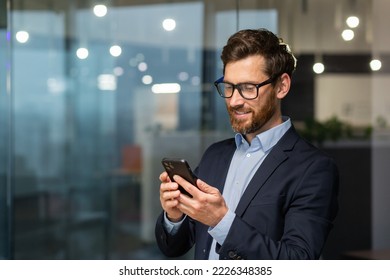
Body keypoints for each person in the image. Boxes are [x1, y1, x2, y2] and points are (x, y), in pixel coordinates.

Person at [155, 28, 339, 260]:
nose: (234, 101)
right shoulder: (215, 155)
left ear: (282, 86)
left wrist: (221, 221)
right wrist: (174, 216)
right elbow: (174, 247)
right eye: (229, 87)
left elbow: (298, 261)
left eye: (248, 88)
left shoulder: (313, 169)